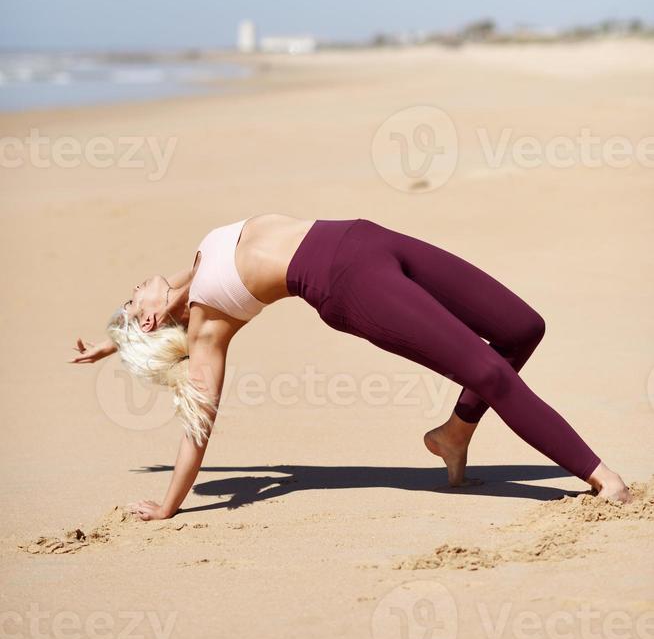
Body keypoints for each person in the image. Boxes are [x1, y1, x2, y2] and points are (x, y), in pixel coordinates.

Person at [71, 213, 632, 519]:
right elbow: (197, 428)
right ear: (148, 323)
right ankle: (600, 477)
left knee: (521, 328)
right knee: (487, 369)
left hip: (370, 238)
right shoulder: (208, 325)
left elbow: (161, 299)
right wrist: (170, 504)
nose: (132, 290)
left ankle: (455, 432)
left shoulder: (192, 269)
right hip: (350, 286)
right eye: (131, 302)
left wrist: (112, 342)